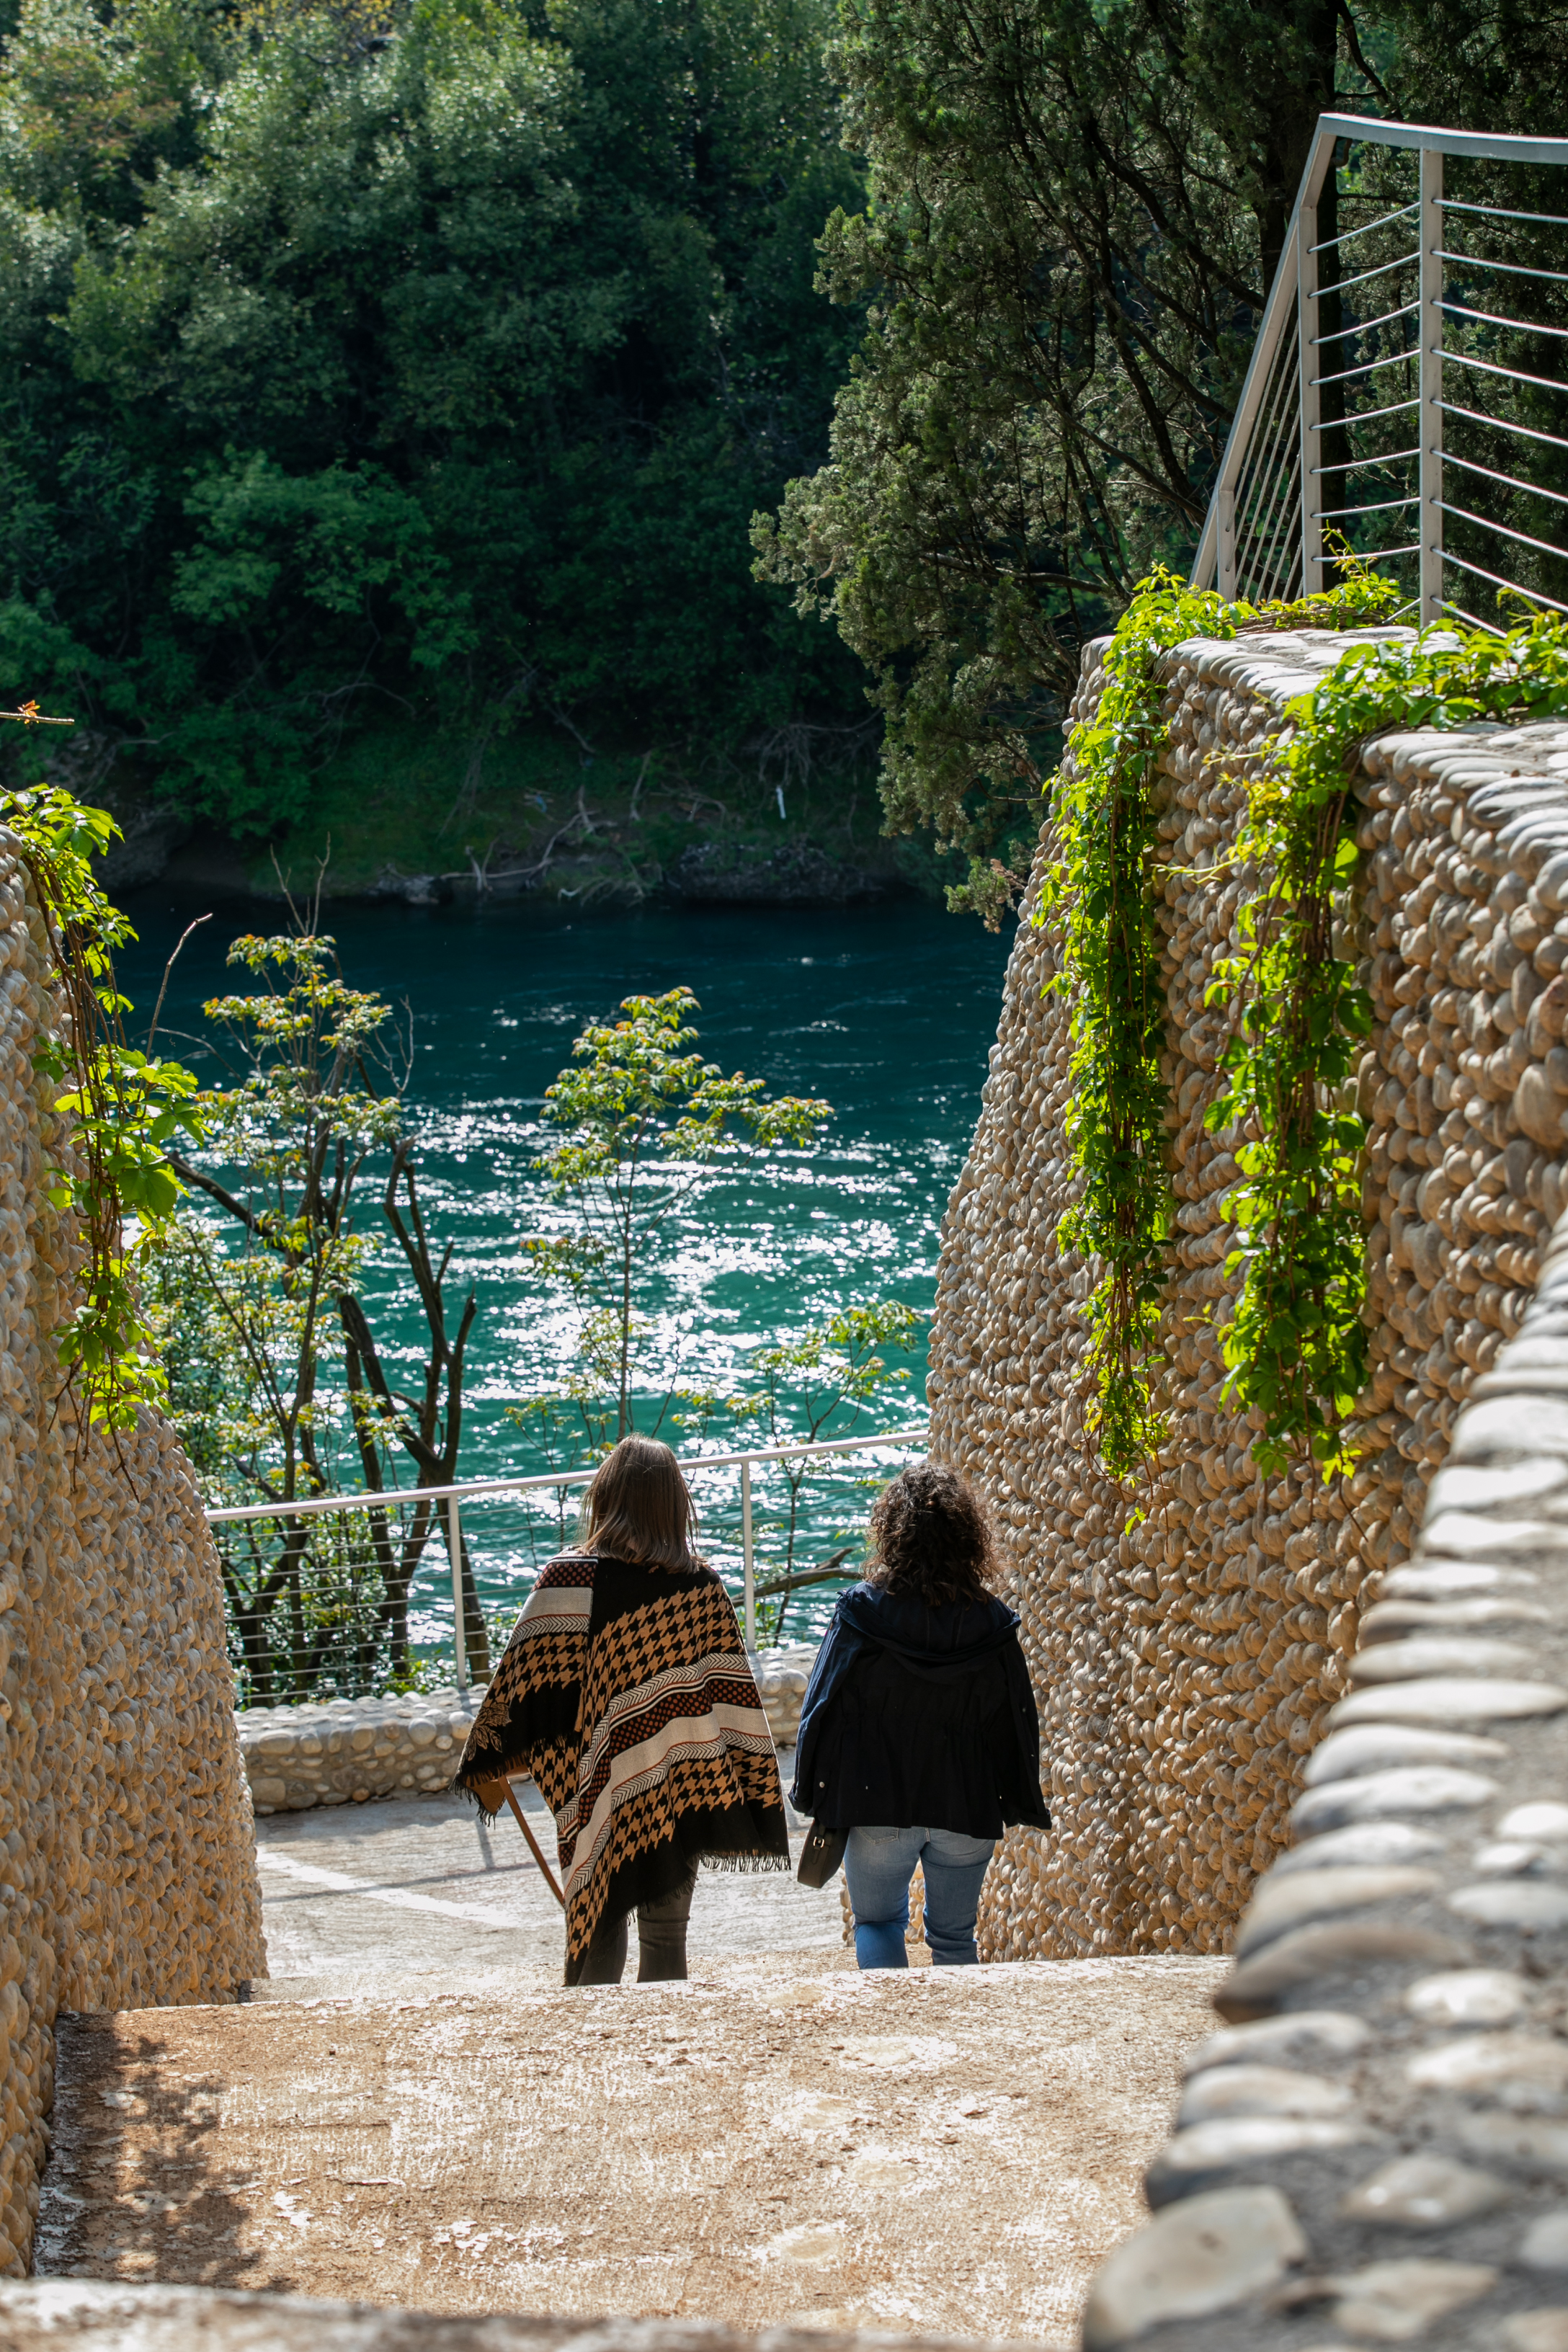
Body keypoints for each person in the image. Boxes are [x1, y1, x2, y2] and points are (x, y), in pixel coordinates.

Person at [455, 1433, 789, 1984]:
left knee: (599, 1926)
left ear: (606, 1499)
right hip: (682, 1788)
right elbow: (733, 1704)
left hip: (598, 1793)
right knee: (666, 1938)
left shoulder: (570, 1579)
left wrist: (490, 1760)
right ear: (675, 1506)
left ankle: (597, 2050)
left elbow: (522, 1684)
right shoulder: (701, 1589)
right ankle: (663, 2052)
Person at [790, 1461, 1049, 1969]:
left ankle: (892, 2039)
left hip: (875, 1801)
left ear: (893, 1534)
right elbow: (1016, 1720)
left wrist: (811, 1791)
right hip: (967, 1804)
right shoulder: (993, 1622)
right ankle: (961, 2046)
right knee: (955, 1939)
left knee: (879, 1924)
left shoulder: (860, 1612)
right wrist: (1016, 1799)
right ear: (969, 1538)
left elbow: (820, 1706)